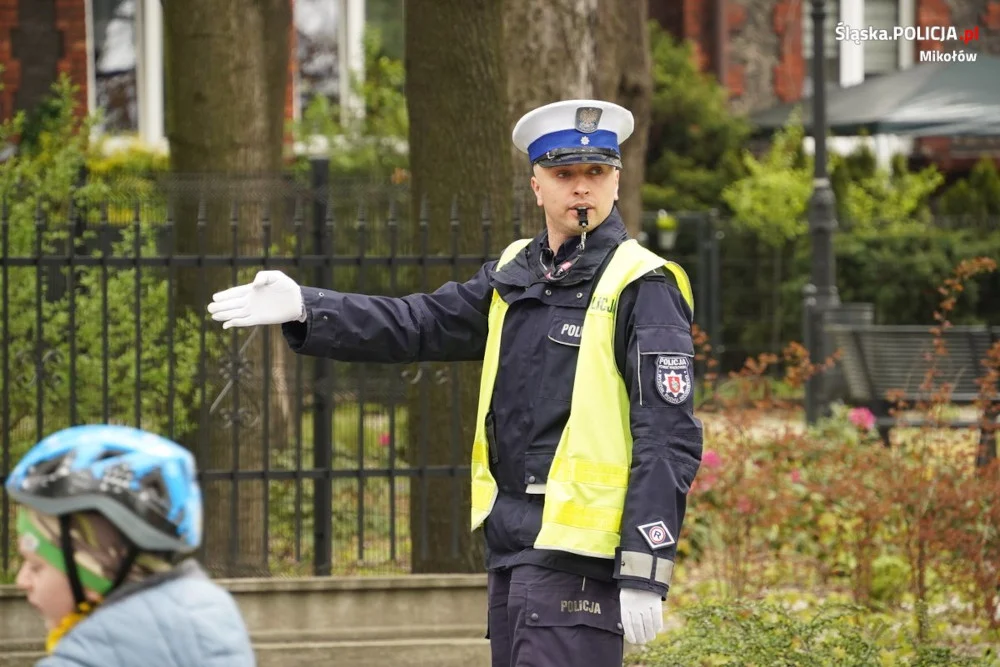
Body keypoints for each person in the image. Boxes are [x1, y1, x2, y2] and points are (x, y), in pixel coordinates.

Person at [207, 99, 703, 666]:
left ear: (615, 180)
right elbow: (419, 323)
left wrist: (645, 566)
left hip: (581, 557)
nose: (581, 189)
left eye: (595, 174)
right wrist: (306, 307)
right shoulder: (518, 272)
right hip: (512, 546)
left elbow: (668, 436)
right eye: (564, 174)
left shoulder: (643, 284)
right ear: (537, 185)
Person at [5, 424, 256, 666]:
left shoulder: (89, 658)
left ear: (92, 570)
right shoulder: (213, 618)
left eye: (36, 565)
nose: (22, 580)